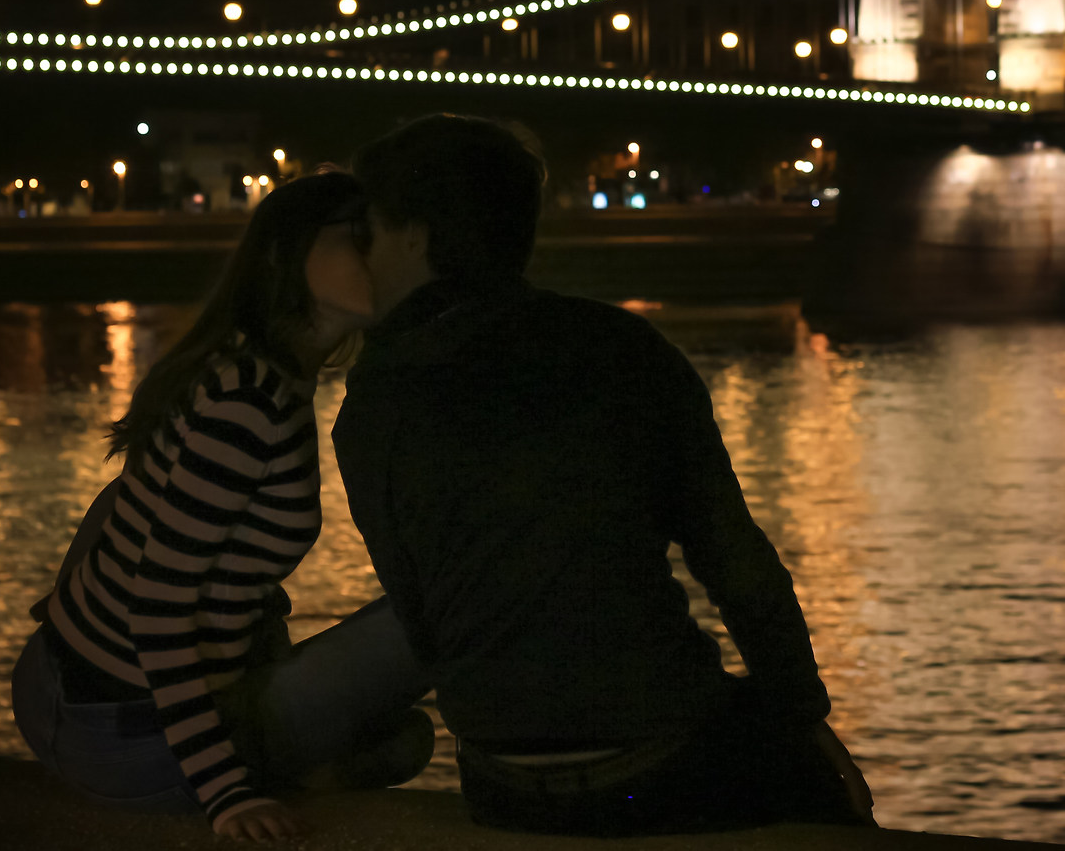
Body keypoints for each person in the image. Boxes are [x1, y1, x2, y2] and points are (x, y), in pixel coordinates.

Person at [332, 113, 874, 836]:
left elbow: (423, 619)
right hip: (658, 762)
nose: (361, 252)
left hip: (502, 781)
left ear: (414, 236)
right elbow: (736, 563)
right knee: (827, 807)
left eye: (368, 230)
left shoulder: (372, 403)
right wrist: (804, 716)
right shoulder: (621, 348)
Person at [11, 171, 435, 842]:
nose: (380, 251)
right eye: (358, 234)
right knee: (442, 609)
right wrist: (227, 794)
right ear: (288, 253)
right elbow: (158, 605)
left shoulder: (246, 368)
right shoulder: (248, 402)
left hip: (57, 689)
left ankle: (268, 744)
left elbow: (128, 509)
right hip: (127, 738)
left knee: (407, 738)